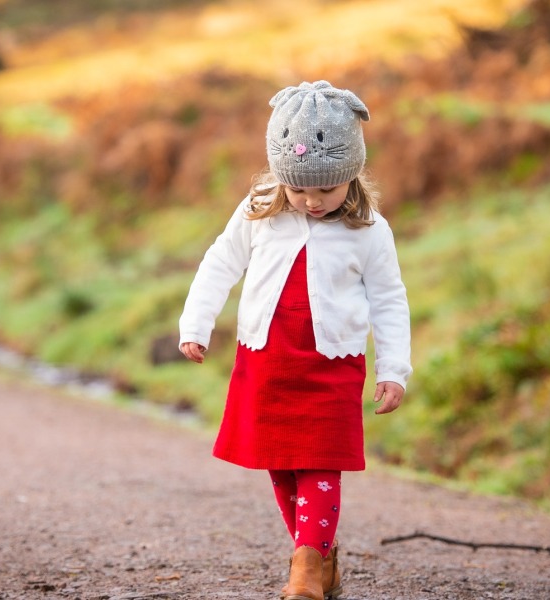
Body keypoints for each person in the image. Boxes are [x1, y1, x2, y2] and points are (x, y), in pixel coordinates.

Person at [178, 80, 412, 600]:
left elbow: (390, 299)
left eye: (324, 190)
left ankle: (306, 568)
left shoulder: (369, 230)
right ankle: (318, 556)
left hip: (332, 362)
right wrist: (195, 324)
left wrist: (394, 369)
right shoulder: (260, 208)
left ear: (350, 176)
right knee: (281, 460)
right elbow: (221, 264)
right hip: (268, 357)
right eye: (299, 189)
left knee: (322, 457)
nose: (310, 201)